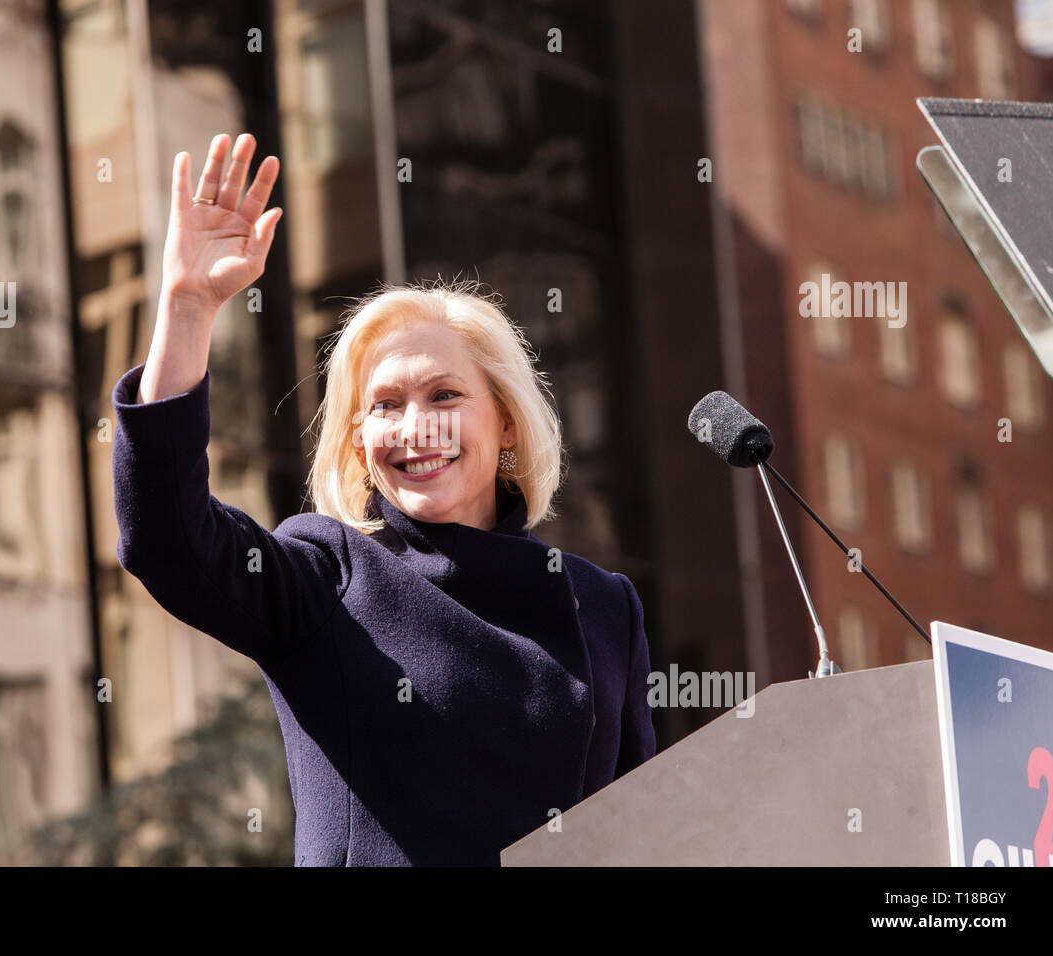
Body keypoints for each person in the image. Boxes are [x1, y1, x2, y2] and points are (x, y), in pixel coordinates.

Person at [111, 132, 656, 866]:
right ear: (359, 442)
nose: (415, 426)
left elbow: (644, 828)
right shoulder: (326, 574)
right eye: (386, 405)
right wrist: (186, 308)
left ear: (505, 423)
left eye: (444, 395)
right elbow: (169, 539)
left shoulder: (602, 605)